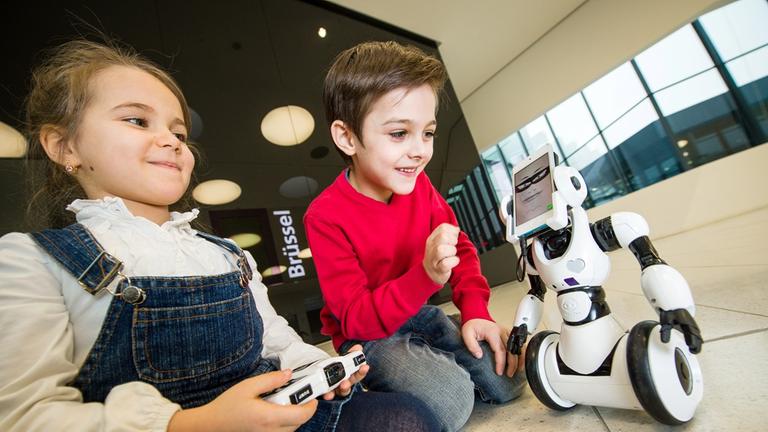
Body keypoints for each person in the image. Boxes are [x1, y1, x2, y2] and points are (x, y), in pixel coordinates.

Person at [0, 39, 440, 432]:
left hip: (279, 412)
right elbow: (27, 415)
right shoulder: (32, 259)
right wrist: (191, 424)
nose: (171, 141)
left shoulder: (229, 255)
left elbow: (276, 340)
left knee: (408, 418)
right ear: (64, 147)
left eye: (178, 132)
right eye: (137, 120)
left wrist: (318, 368)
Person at [303, 41, 527, 431]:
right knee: (452, 401)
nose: (420, 151)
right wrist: (424, 277)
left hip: (418, 315)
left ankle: (446, 333)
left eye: (428, 132)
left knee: (507, 380)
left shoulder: (419, 185)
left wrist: (476, 312)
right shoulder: (324, 217)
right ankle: (376, 379)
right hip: (368, 336)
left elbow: (461, 248)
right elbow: (356, 319)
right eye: (399, 133)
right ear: (347, 137)